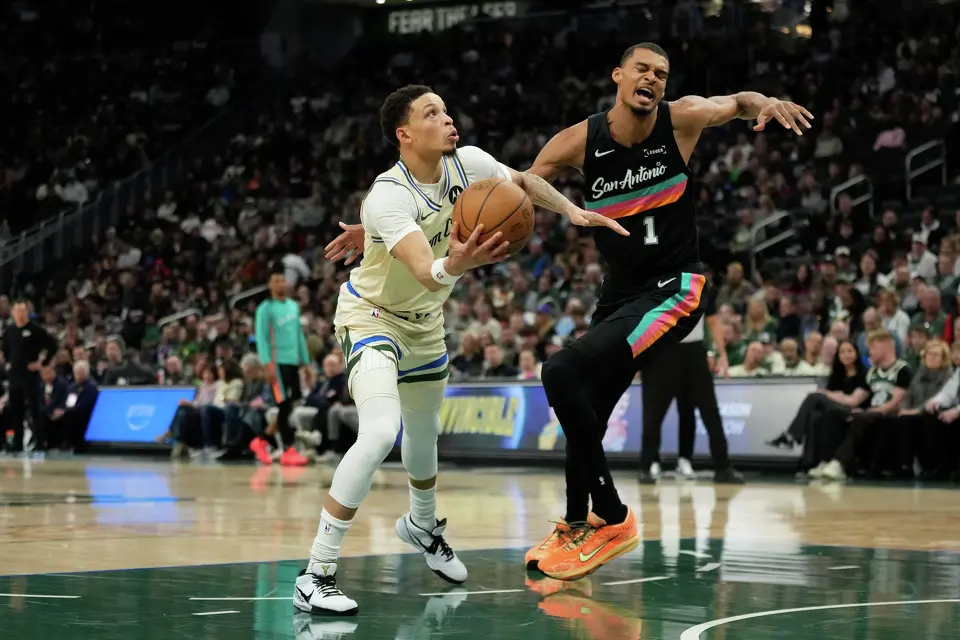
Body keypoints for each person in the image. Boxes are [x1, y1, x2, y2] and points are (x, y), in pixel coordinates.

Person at [298, 84, 626, 616]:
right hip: (373, 317)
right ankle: (316, 571)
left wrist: (573, 213)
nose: (449, 119)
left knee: (424, 440)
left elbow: (521, 183)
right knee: (382, 430)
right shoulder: (387, 197)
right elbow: (428, 274)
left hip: (426, 325)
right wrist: (458, 260)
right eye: (433, 114)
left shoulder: (469, 162)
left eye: (447, 109)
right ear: (405, 134)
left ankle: (422, 525)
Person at [639, 281, 745, 483]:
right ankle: (646, 465)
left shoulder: (700, 283)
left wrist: (721, 353)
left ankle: (723, 467)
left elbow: (712, 321)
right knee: (653, 413)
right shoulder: (654, 282)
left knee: (709, 411)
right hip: (661, 352)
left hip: (694, 352)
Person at [814, 330, 913, 481]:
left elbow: (894, 404)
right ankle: (826, 460)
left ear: (885, 346)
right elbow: (858, 398)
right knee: (834, 413)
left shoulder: (903, 370)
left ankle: (839, 463)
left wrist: (868, 411)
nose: (869, 353)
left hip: (889, 416)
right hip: (869, 413)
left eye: (872, 348)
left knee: (863, 417)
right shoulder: (872, 372)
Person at [767, 340, 868, 473]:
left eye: (850, 351)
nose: (846, 355)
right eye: (842, 352)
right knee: (815, 417)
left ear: (857, 353)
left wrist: (830, 394)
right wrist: (836, 395)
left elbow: (853, 401)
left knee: (815, 396)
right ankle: (810, 464)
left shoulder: (863, 375)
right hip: (834, 411)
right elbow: (835, 397)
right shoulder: (836, 376)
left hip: (852, 412)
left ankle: (791, 436)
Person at [250, 265, 315, 467]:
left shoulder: (293, 307)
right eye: (276, 280)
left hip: (292, 363)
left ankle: (262, 440)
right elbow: (262, 339)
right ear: (269, 284)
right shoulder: (265, 309)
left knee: (290, 403)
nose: (280, 283)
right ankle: (288, 449)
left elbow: (299, 336)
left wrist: (306, 363)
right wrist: (267, 364)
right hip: (276, 364)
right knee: (283, 404)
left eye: (282, 279)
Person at [0, 301, 58, 454]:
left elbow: (53, 346)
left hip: (30, 375)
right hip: (14, 376)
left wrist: (42, 363)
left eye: (22, 311)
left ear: (27, 312)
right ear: (13, 313)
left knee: (35, 409)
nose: (20, 314)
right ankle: (17, 443)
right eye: (17, 311)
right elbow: (5, 348)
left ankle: (40, 442)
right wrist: (7, 362)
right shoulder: (10, 330)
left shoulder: (36, 330)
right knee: (15, 409)